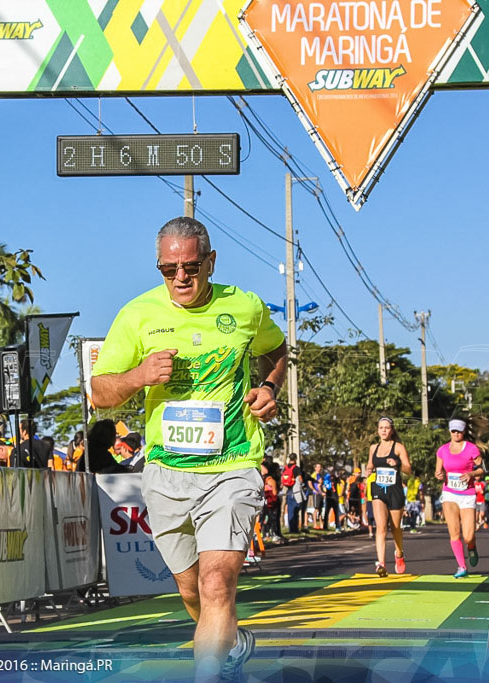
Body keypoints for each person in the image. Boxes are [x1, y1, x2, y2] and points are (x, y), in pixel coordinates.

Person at [90, 216, 288, 681]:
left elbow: (277, 352)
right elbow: (98, 392)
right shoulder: (138, 314)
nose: (180, 277)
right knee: (191, 589)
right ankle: (230, 643)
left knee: (217, 583)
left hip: (232, 465)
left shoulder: (245, 308)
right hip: (166, 472)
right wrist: (138, 376)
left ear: (210, 261)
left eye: (191, 266)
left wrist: (270, 387)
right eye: (168, 268)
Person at [435, 418, 485, 579]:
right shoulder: (442, 450)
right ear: (449, 431)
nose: (456, 434)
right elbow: (438, 471)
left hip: (467, 494)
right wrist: (439, 474)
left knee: (468, 535)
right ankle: (461, 566)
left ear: (464, 432)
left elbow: (481, 470)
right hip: (449, 493)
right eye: (453, 431)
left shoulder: (471, 449)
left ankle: (472, 547)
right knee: (454, 532)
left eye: (459, 431)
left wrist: (471, 473)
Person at [363, 417, 411, 576]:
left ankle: (399, 554)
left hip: (395, 490)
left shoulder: (398, 447)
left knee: (395, 528)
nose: (384, 430)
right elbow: (370, 464)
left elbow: (408, 470)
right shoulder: (373, 448)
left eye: (387, 427)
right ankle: (381, 563)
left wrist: (396, 464)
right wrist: (368, 471)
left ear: (392, 430)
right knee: (381, 527)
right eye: (381, 427)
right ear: (377, 430)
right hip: (378, 489)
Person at [281, 457, 306, 533]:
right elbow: (300, 478)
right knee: (296, 510)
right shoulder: (296, 468)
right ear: (295, 459)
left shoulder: (285, 468)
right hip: (296, 492)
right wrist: (302, 484)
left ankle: (291, 528)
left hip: (288, 491)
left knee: (290, 511)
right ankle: (295, 529)